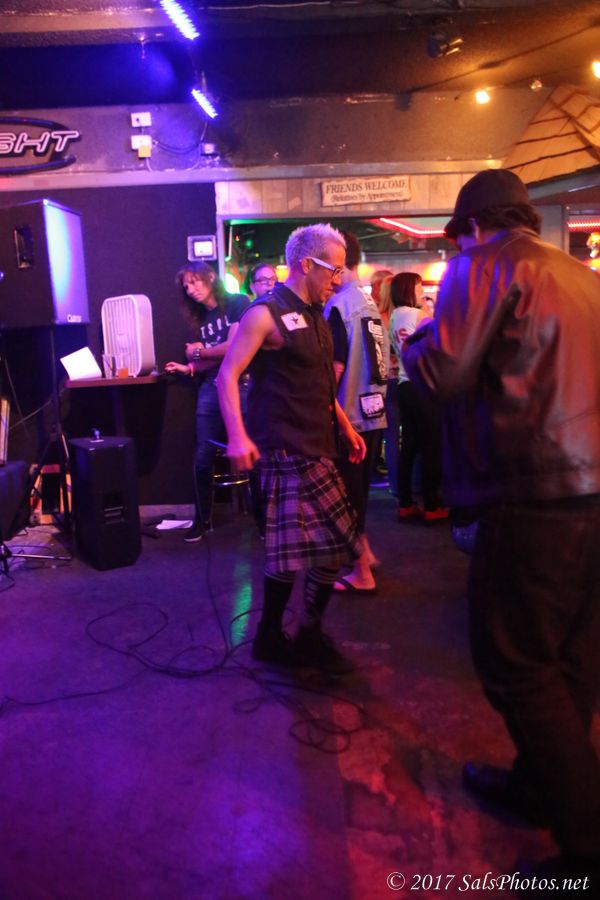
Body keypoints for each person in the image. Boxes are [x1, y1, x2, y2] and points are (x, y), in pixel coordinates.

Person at [403, 168, 600, 887]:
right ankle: (540, 784)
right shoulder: (581, 276)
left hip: (534, 486)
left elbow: (444, 374)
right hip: (594, 487)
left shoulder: (482, 264)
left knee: (515, 662)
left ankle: (587, 847)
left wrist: (416, 344)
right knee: (573, 655)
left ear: (473, 226)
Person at [217, 223, 366, 672]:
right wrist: (237, 436)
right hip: (284, 449)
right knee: (314, 549)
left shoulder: (317, 313)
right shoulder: (265, 313)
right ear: (306, 264)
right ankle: (296, 637)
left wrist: (344, 425)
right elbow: (227, 376)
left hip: (318, 445)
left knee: (316, 550)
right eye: (333, 269)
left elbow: (317, 383)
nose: (338, 279)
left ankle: (286, 636)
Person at [165, 261, 250, 542]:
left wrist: (199, 353)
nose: (190, 290)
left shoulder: (237, 303)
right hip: (211, 386)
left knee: (253, 450)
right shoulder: (202, 318)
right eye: (186, 286)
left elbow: (234, 346)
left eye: (194, 282)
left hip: (242, 385)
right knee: (203, 454)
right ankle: (201, 521)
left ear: (210, 277)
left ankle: (264, 520)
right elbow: (210, 359)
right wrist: (189, 366)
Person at [324, 232, 388, 593]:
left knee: (347, 495)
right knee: (359, 490)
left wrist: (323, 404)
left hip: (349, 413)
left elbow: (335, 366)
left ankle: (362, 571)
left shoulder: (338, 306)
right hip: (374, 409)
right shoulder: (368, 302)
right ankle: (366, 552)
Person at [389, 273, 446, 522]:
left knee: (409, 447)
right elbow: (440, 339)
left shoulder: (394, 315)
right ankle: (432, 506)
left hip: (404, 385)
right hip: (422, 385)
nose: (422, 291)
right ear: (409, 289)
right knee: (431, 447)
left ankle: (405, 503)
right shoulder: (419, 315)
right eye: (419, 286)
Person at [371, 270, 400, 498]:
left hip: (384, 381)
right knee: (402, 435)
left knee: (388, 433)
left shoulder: (376, 317)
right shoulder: (407, 316)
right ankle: (403, 483)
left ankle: (395, 483)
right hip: (403, 380)